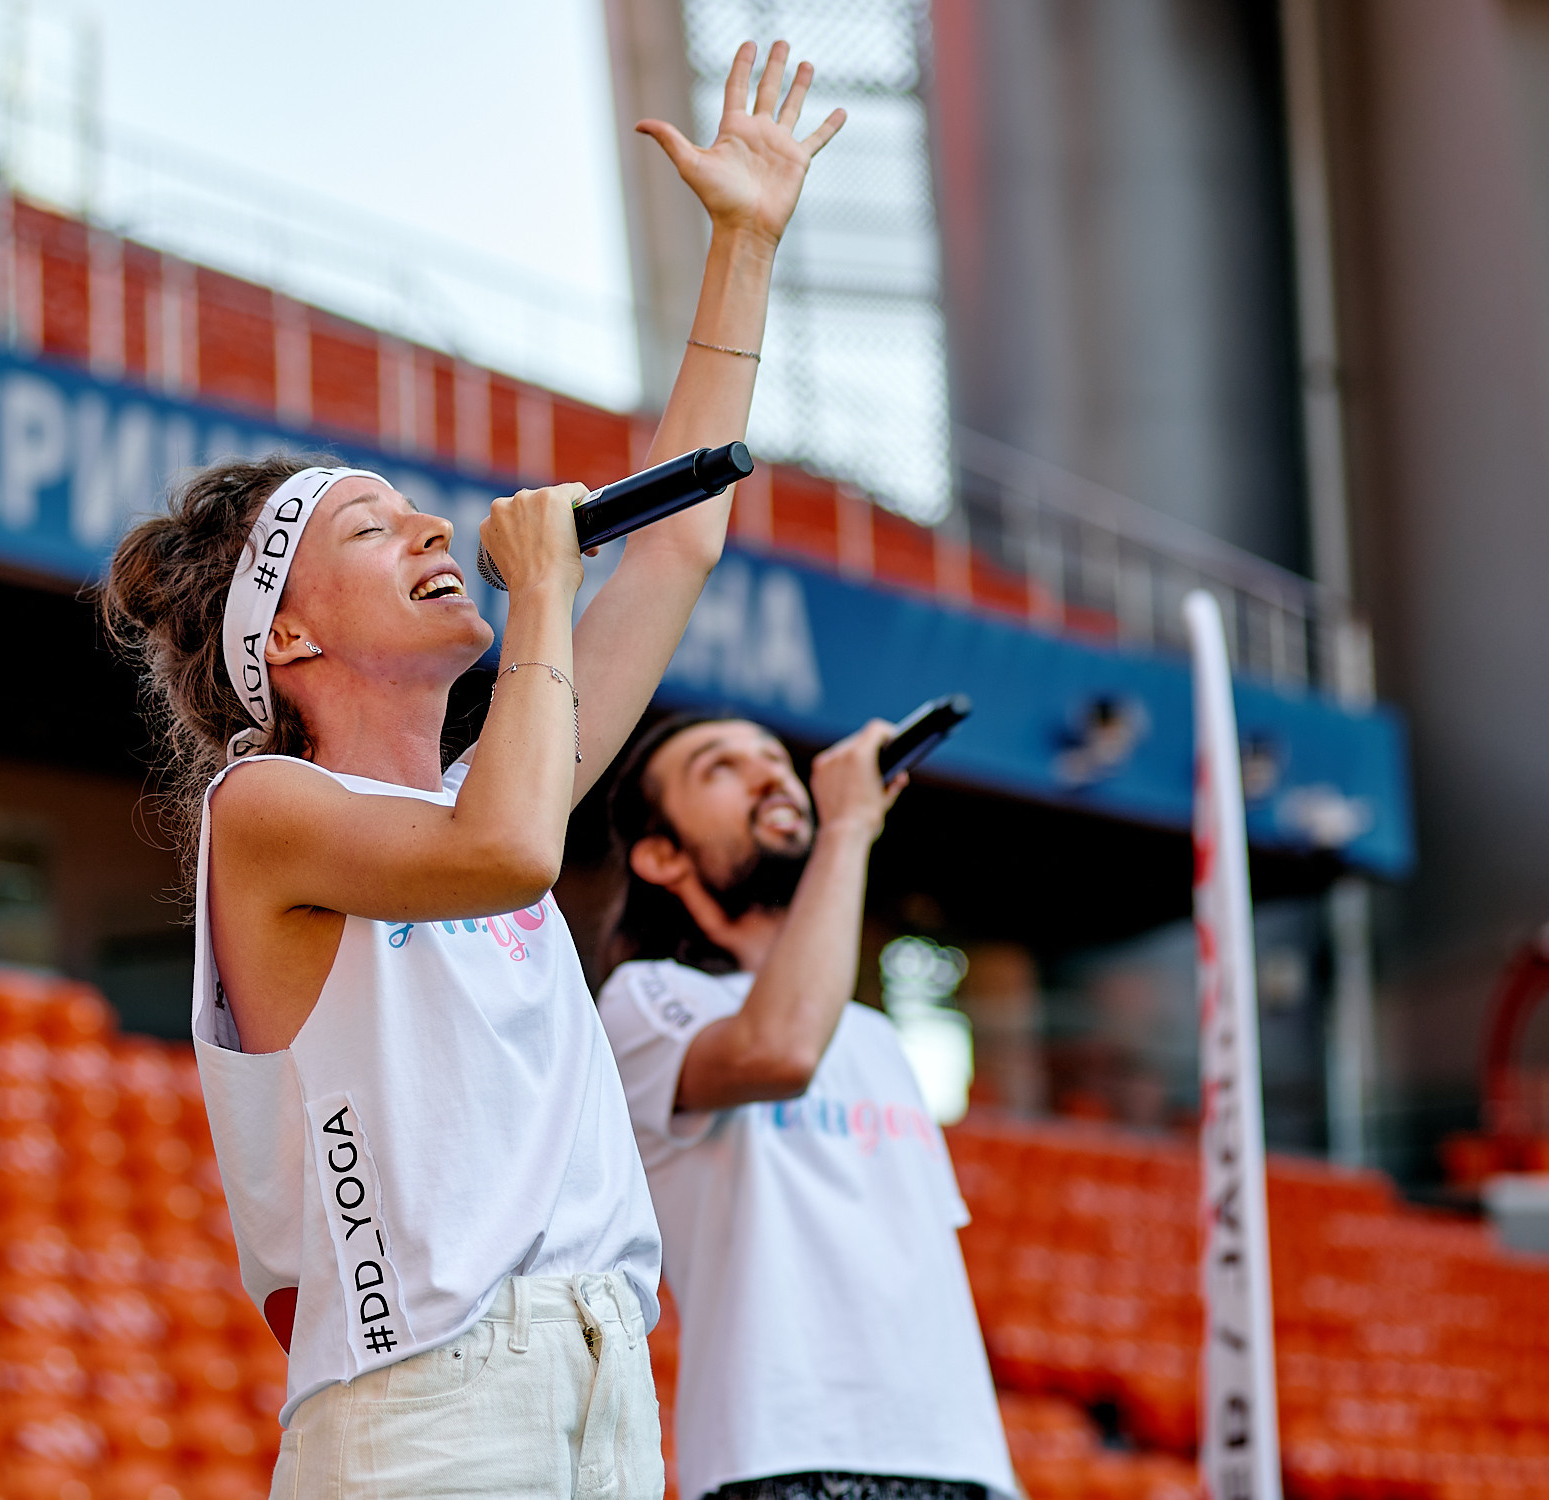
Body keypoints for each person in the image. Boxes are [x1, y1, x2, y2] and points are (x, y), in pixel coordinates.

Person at [100, 43, 842, 1499]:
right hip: (426, 1391)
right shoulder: (266, 808)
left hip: (600, 1366)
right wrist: (548, 593)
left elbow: (678, 543)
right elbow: (508, 856)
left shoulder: (476, 790)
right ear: (288, 637)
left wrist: (742, 245)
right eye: (373, 530)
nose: (435, 532)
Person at [596, 716, 1017, 1500]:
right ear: (662, 855)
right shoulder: (647, 998)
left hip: (959, 1459)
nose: (770, 775)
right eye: (721, 768)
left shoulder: (878, 1037)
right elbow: (779, 1052)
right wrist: (848, 830)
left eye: (774, 757)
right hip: (786, 1452)